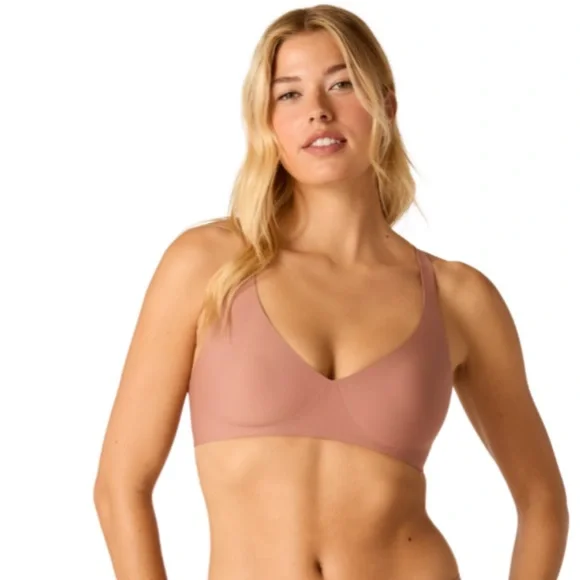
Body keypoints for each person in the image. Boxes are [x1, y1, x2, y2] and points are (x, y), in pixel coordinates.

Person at [93, 4, 568, 579]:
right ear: (266, 120)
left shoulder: (459, 298)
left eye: (342, 84)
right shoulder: (208, 266)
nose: (317, 110)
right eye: (289, 94)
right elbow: (121, 485)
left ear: (386, 104)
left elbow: (543, 503)